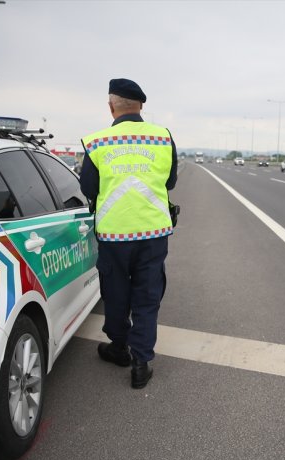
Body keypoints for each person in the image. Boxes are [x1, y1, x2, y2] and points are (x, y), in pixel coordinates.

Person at [79, 78, 177, 389]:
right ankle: (141, 363)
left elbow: (87, 189)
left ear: (111, 107)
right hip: (152, 233)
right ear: (141, 106)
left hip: (114, 236)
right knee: (147, 297)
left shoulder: (96, 143)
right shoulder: (163, 138)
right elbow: (170, 182)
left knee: (116, 293)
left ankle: (119, 348)